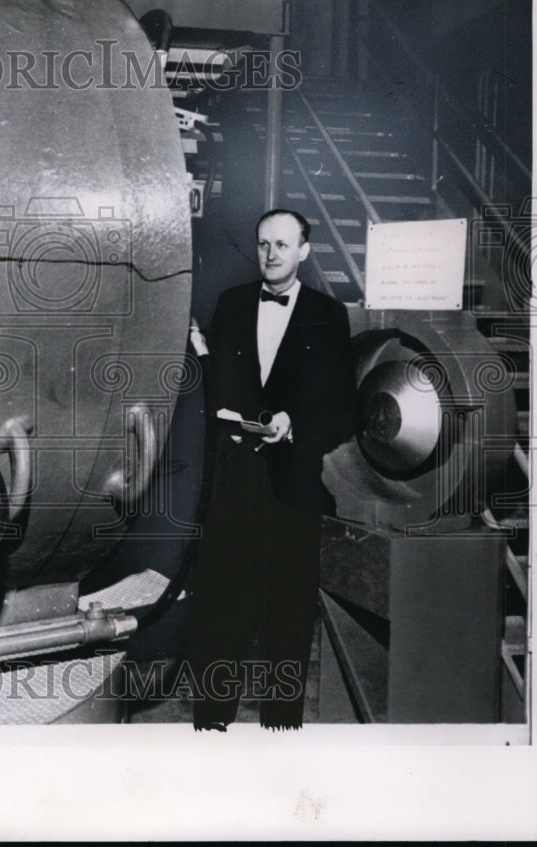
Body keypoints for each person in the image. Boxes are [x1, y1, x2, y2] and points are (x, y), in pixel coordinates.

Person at [192, 209, 356, 730]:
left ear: (304, 250)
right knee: (222, 609)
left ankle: (281, 731)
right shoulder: (232, 304)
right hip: (234, 478)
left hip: (294, 485)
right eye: (263, 243)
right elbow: (217, 384)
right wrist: (228, 415)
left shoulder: (329, 314)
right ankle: (211, 726)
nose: (271, 254)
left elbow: (343, 407)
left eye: (282, 244)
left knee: (287, 613)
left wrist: (295, 422)